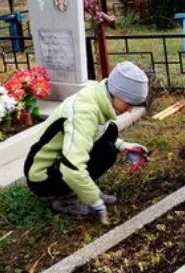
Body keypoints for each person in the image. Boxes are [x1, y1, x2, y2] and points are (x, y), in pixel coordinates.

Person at [24, 61, 149, 223]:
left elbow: (97, 133)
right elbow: (71, 167)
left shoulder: (99, 96)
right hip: (42, 175)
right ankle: (63, 198)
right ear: (116, 93)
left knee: (110, 132)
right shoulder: (84, 112)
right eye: (129, 103)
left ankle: (78, 190)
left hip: (59, 159)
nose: (131, 109)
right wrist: (94, 199)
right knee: (106, 152)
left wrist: (125, 146)